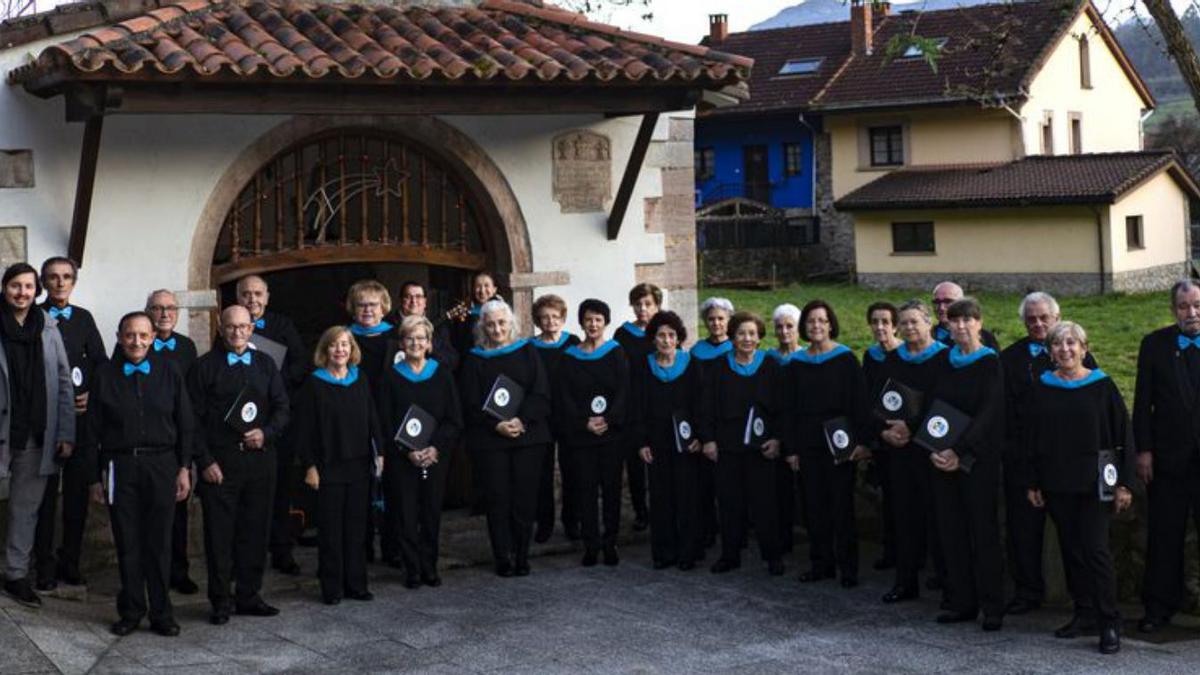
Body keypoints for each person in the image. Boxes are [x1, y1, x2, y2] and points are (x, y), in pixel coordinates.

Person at [1024, 321, 1133, 654]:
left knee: (1096, 552)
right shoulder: (1042, 387)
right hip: (1057, 482)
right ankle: (1083, 612)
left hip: (1095, 483)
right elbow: (1031, 438)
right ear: (1050, 351)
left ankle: (1108, 622)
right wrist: (1033, 481)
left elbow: (1122, 435)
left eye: (1072, 343)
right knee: (1071, 550)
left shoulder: (1102, 387)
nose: (1065, 349)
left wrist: (1125, 483)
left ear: (1084, 349)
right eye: (1058, 344)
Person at [87, 311, 193, 636]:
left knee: (160, 543)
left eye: (143, 335)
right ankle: (131, 610)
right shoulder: (104, 375)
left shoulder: (170, 372)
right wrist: (94, 478)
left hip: (162, 465)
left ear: (152, 337)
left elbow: (186, 423)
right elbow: (92, 431)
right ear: (119, 337)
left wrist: (184, 468)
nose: (137, 341)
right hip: (120, 466)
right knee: (128, 541)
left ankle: (162, 613)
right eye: (130, 335)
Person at [189, 305, 289, 625]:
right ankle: (220, 600)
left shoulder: (266, 363)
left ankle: (249, 595)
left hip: (261, 462)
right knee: (219, 536)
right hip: (220, 465)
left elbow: (282, 408)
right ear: (220, 326)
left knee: (255, 531)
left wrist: (268, 432)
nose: (237, 333)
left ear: (251, 329)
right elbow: (192, 421)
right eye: (231, 327)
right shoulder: (203, 367)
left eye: (244, 327)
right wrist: (204, 462)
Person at [999, 291, 1096, 616]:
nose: (1038, 324)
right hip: (1023, 457)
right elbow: (1005, 411)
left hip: (1067, 462)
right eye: (1032, 319)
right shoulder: (1009, 358)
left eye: (1045, 318)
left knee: (1075, 537)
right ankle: (1027, 591)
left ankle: (1082, 600)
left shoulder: (1080, 357)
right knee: (1023, 531)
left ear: (1057, 318)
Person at [925, 298, 1005, 631]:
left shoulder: (991, 363)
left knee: (983, 533)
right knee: (952, 531)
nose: (960, 327)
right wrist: (932, 445)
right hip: (943, 459)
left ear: (979, 323)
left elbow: (990, 413)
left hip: (978, 459)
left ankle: (993, 607)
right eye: (954, 322)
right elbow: (933, 405)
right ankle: (962, 602)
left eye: (967, 320)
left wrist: (960, 450)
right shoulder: (944, 360)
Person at [458, 299, 551, 576]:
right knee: (498, 499)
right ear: (482, 327)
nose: (497, 328)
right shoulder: (475, 359)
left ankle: (521, 555)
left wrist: (521, 420)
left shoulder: (527, 352)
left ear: (511, 323)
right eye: (490, 324)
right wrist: (495, 425)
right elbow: (469, 401)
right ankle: (503, 556)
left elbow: (541, 393)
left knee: (524, 499)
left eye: (501, 322)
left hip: (528, 436)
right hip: (490, 441)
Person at [0, 263, 74, 608]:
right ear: (4, 288)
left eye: (28, 287)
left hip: (35, 433)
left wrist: (65, 431)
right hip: (2, 429)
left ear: (37, 291)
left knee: (24, 509)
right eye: (16, 286)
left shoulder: (48, 326)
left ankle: (15, 574)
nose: (22, 293)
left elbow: (62, 382)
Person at [293, 326, 384, 605]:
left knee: (356, 530)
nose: (340, 350)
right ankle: (332, 588)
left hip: (358, 465)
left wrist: (379, 452)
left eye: (345, 344)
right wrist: (309, 466)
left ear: (351, 349)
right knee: (331, 531)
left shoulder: (360, 378)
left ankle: (356, 584)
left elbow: (372, 417)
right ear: (325, 350)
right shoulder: (314, 384)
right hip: (327, 467)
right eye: (334, 345)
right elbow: (304, 429)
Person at [784, 300, 871, 588]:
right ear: (804, 327)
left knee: (841, 506)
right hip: (808, 443)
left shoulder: (846, 360)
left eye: (822, 320)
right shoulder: (797, 363)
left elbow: (859, 403)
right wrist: (792, 449)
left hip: (840, 443)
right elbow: (790, 409)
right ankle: (821, 563)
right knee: (814, 507)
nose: (816, 326)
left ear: (831, 324)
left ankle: (848, 567)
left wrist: (859, 443)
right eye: (810, 322)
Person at [33, 257, 107, 591]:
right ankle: (44, 566)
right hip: (47, 423)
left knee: (76, 499)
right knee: (45, 500)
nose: (60, 283)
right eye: (53, 277)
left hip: (81, 422)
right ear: (43, 283)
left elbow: (102, 365)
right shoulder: (33, 318)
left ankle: (70, 562)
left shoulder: (84, 319)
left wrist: (91, 394)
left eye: (66, 277)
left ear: (73, 282)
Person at [1134, 280, 1200, 634]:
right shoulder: (1154, 345)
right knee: (1164, 537)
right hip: (1167, 459)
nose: (1192, 313)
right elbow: (1142, 403)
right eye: (1184, 306)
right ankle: (1158, 608)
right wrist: (1143, 450)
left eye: (1197, 305)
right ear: (1174, 310)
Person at [378, 315, 463, 588]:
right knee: (405, 513)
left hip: (434, 456)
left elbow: (453, 419)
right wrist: (406, 451)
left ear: (429, 344)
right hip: (403, 458)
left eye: (421, 339)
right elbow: (385, 420)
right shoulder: (391, 377)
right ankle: (412, 569)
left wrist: (435, 447)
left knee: (430, 513)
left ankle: (430, 566)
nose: (415, 343)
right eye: (409, 338)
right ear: (402, 343)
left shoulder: (442, 374)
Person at [699, 311, 785, 576]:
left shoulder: (771, 366)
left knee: (765, 504)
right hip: (728, 446)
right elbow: (706, 407)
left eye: (752, 333)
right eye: (740, 334)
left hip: (761, 448)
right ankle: (730, 555)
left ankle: (772, 556)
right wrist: (709, 440)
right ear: (732, 338)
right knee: (729, 503)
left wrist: (777, 438)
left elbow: (783, 407)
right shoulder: (719, 367)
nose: (746, 339)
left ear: (759, 337)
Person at [876, 300, 949, 604]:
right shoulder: (892, 360)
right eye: (903, 323)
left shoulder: (946, 359)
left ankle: (948, 581)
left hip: (933, 448)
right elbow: (879, 402)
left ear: (929, 323)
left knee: (941, 518)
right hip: (900, 449)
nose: (908, 328)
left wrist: (915, 426)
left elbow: (945, 403)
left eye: (914, 322)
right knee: (904, 517)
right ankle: (905, 582)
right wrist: (885, 431)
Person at [234, 275, 306, 576]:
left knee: (281, 488)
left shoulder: (283, 326)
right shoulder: (230, 326)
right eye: (247, 294)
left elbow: (301, 365)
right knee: (246, 493)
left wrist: (272, 384)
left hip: (278, 421)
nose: (253, 299)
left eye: (258, 293)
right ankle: (248, 555)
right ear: (238, 297)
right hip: (242, 427)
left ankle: (282, 550)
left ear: (267, 296)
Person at [557, 299, 629, 566]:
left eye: (598, 319)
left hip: (611, 434)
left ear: (605, 322)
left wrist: (609, 419)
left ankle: (610, 543)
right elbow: (565, 396)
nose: (593, 324)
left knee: (611, 490)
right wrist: (583, 422)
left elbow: (623, 391)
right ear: (582, 322)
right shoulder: (570, 356)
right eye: (588, 319)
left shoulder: (616, 353)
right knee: (585, 490)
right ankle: (591, 544)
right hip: (582, 434)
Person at [634, 310, 703, 570]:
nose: (666, 340)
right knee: (661, 499)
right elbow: (637, 407)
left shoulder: (690, 365)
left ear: (679, 338)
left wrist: (699, 436)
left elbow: (701, 404)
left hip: (686, 442)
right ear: (653, 339)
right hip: (657, 442)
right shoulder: (644, 367)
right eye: (661, 335)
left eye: (671, 335)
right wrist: (641, 442)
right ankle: (663, 553)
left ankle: (688, 552)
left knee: (687, 497)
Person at [145, 290, 201, 595]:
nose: (164, 313)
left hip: (177, 439)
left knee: (178, 511)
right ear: (148, 311)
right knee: (148, 513)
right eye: (157, 308)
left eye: (170, 308)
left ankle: (179, 571)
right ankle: (150, 571)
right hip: (146, 440)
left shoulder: (186, 347)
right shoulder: (137, 341)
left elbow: (191, 398)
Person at [345, 280, 401, 567]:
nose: (367, 310)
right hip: (356, 422)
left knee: (392, 485)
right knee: (360, 488)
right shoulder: (343, 339)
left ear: (384, 308)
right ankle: (362, 548)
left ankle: (392, 547)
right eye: (361, 304)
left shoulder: (397, 338)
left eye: (373, 305)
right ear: (353, 309)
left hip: (390, 419)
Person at [530, 294, 581, 542]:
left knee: (572, 471)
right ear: (538, 321)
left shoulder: (573, 343)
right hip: (542, 418)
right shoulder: (530, 347)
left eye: (555, 316)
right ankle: (544, 524)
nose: (550, 321)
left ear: (562, 319)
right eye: (545, 317)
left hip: (569, 416)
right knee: (541, 473)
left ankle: (572, 521)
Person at [613, 283, 661, 532]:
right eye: (638, 304)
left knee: (659, 458)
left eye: (648, 304)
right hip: (633, 405)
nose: (643, 309)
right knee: (635, 463)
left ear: (657, 305)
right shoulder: (623, 335)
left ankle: (662, 507)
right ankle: (641, 511)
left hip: (658, 403)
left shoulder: (663, 331)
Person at [691, 297, 735, 550]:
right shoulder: (697, 352)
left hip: (729, 423)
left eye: (721, 318)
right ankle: (708, 529)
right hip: (704, 423)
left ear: (729, 320)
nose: (716, 323)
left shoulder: (736, 348)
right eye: (711, 319)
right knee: (704, 484)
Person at [863, 301, 901, 571]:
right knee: (888, 498)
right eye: (875, 322)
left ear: (895, 325)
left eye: (885, 322)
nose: (880, 327)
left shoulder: (906, 354)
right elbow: (867, 397)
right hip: (882, 436)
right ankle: (891, 551)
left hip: (906, 436)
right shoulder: (870, 356)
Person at [770, 303, 803, 555]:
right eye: (779, 326)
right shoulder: (768, 359)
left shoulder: (806, 358)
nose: (784, 331)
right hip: (774, 430)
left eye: (789, 326)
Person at [398, 280, 460, 371]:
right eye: (408, 296)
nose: (413, 301)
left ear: (425, 302)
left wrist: (432, 350)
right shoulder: (389, 325)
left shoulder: (440, 329)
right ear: (401, 300)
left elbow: (453, 361)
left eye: (418, 296)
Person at [931, 282, 999, 350]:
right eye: (937, 302)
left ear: (962, 303)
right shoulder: (927, 336)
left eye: (948, 301)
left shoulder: (985, 336)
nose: (941, 307)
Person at [450, 271, 500, 358]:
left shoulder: (502, 312)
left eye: (486, 285)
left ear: (494, 289)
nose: (482, 291)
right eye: (478, 286)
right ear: (473, 289)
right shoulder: (464, 313)